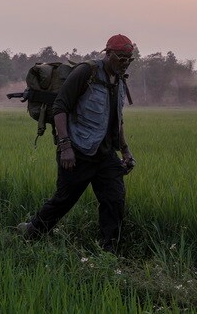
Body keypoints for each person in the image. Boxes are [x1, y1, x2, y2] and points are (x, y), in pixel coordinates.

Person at [18, 34, 137, 252]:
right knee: (63, 201)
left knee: (115, 202)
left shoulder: (120, 81)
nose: (125, 63)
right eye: (121, 58)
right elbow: (60, 107)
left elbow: (117, 118)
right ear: (108, 53)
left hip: (106, 155)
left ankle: (109, 252)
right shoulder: (87, 72)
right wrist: (65, 147)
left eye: (129, 59)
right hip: (78, 151)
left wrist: (126, 151)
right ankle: (31, 232)